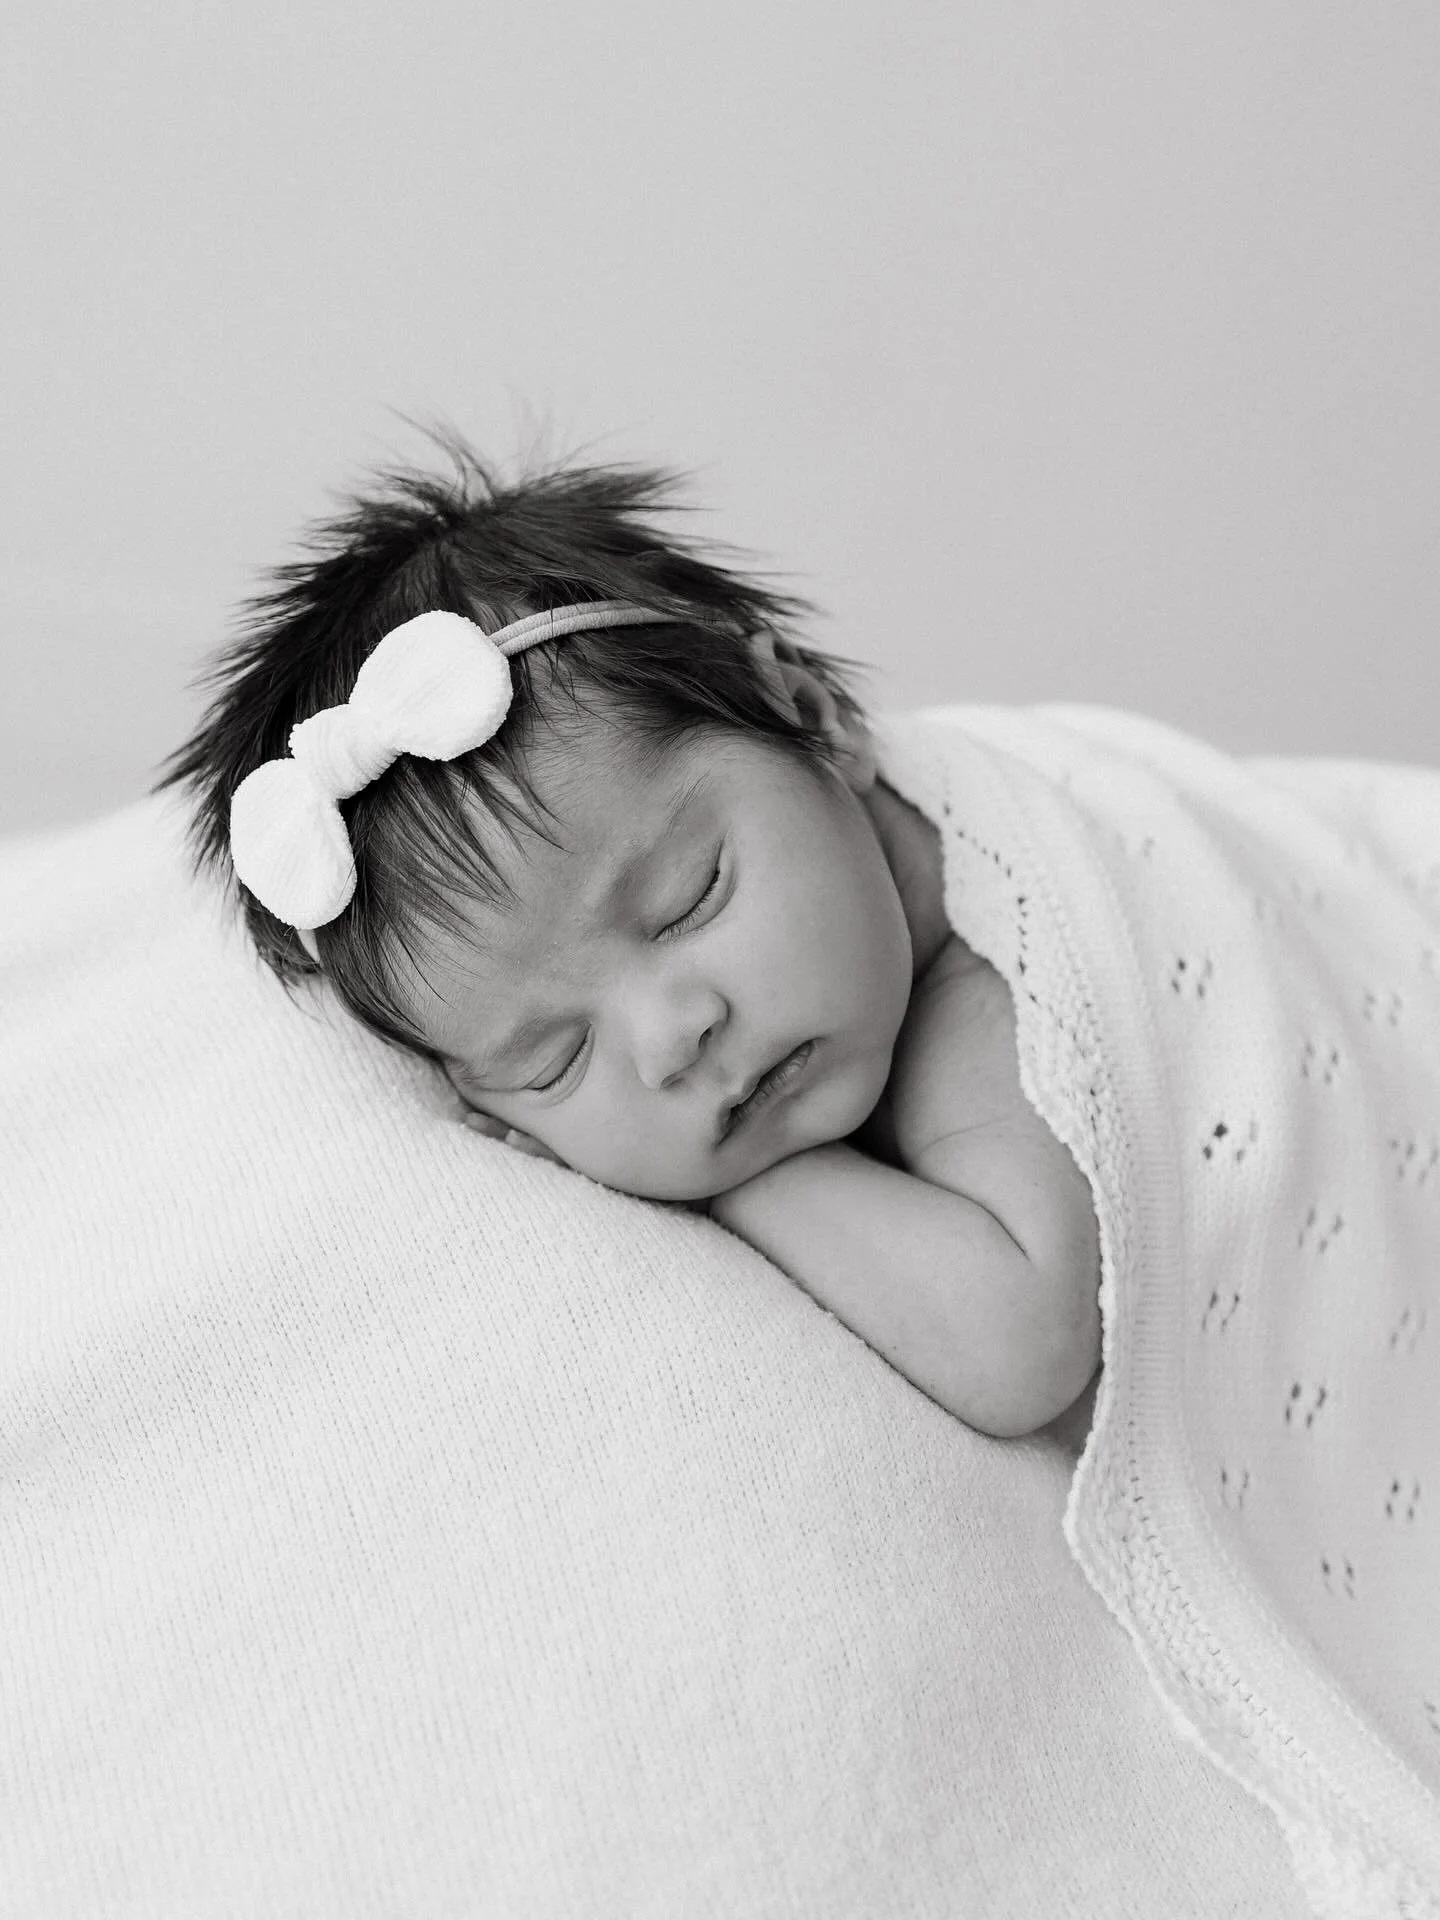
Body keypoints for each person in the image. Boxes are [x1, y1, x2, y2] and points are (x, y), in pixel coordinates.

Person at [159, 437, 1102, 1443]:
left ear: (814, 718)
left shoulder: (987, 968)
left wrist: (755, 1181)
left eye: (690, 900)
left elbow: (1023, 1347)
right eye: (554, 1061)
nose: (671, 1040)